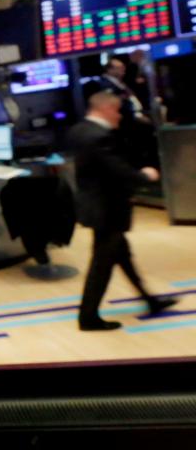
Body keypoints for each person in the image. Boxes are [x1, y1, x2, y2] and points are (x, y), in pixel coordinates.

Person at [68, 92, 177, 331]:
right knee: (102, 265)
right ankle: (88, 317)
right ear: (106, 109)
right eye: (117, 111)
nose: (119, 117)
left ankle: (150, 300)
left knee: (123, 257)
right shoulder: (99, 137)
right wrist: (144, 176)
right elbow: (117, 171)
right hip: (107, 209)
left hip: (95, 206)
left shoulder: (78, 130)